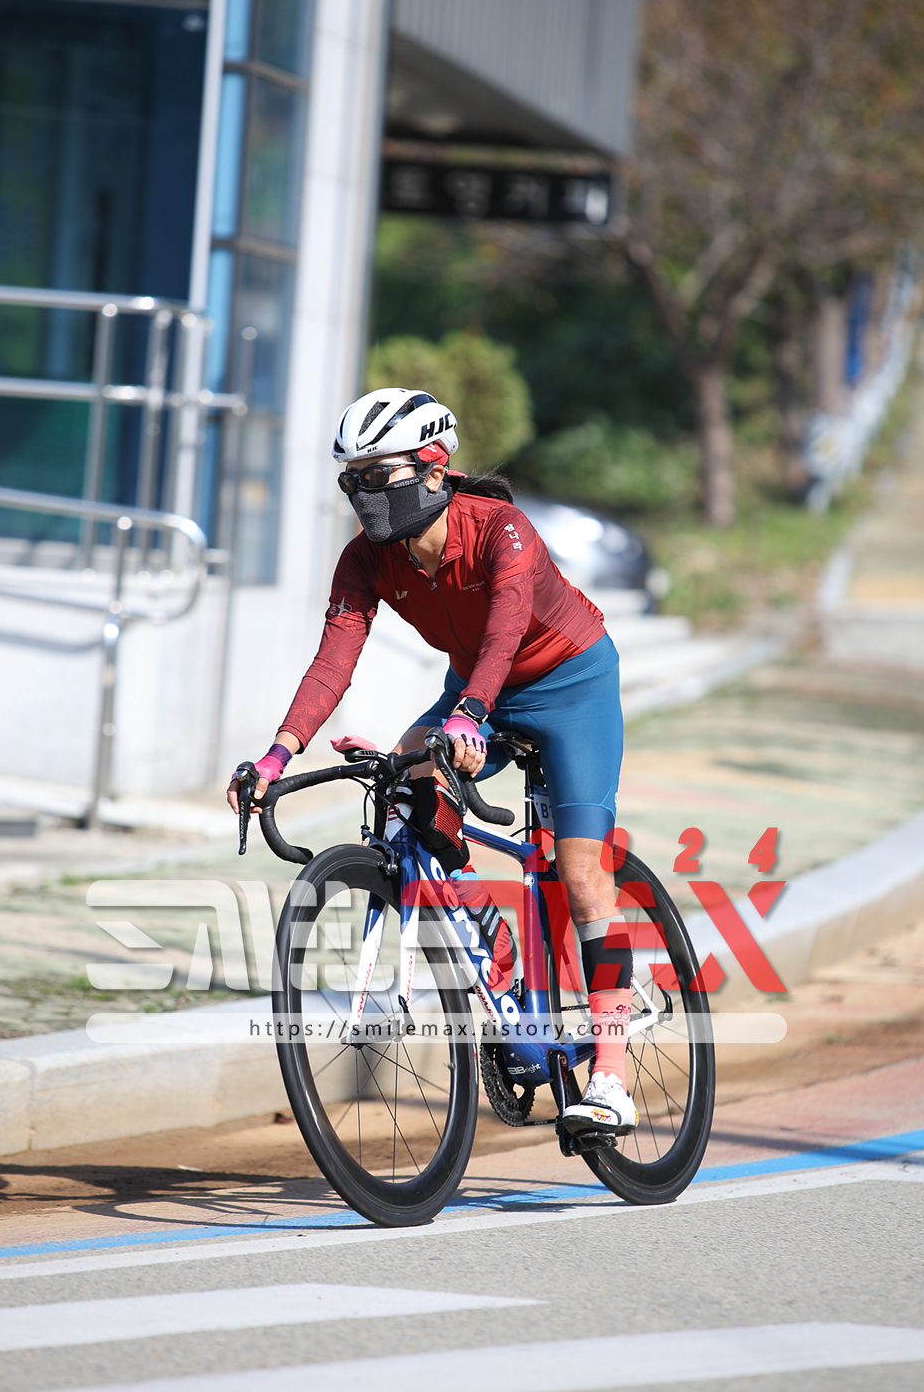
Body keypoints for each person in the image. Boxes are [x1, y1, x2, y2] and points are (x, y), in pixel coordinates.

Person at [226, 388, 637, 1136]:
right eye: (352, 480)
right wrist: (277, 754)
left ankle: (610, 1078)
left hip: (568, 683)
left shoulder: (501, 529)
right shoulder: (365, 559)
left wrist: (471, 715)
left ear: (434, 468)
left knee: (582, 874)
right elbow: (333, 661)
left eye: (378, 476)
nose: (364, 495)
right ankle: (493, 951)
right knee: (401, 781)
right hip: (473, 689)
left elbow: (506, 630)